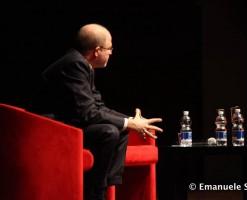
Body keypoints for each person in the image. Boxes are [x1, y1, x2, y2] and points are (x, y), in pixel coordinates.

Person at [30, 23, 163, 200]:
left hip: (67, 125)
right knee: (108, 132)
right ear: (97, 50)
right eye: (110, 48)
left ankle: (108, 185)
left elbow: (98, 107)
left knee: (120, 130)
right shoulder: (74, 64)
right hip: (52, 131)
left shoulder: (81, 64)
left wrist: (131, 121)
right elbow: (87, 113)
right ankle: (96, 193)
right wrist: (129, 122)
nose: (111, 52)